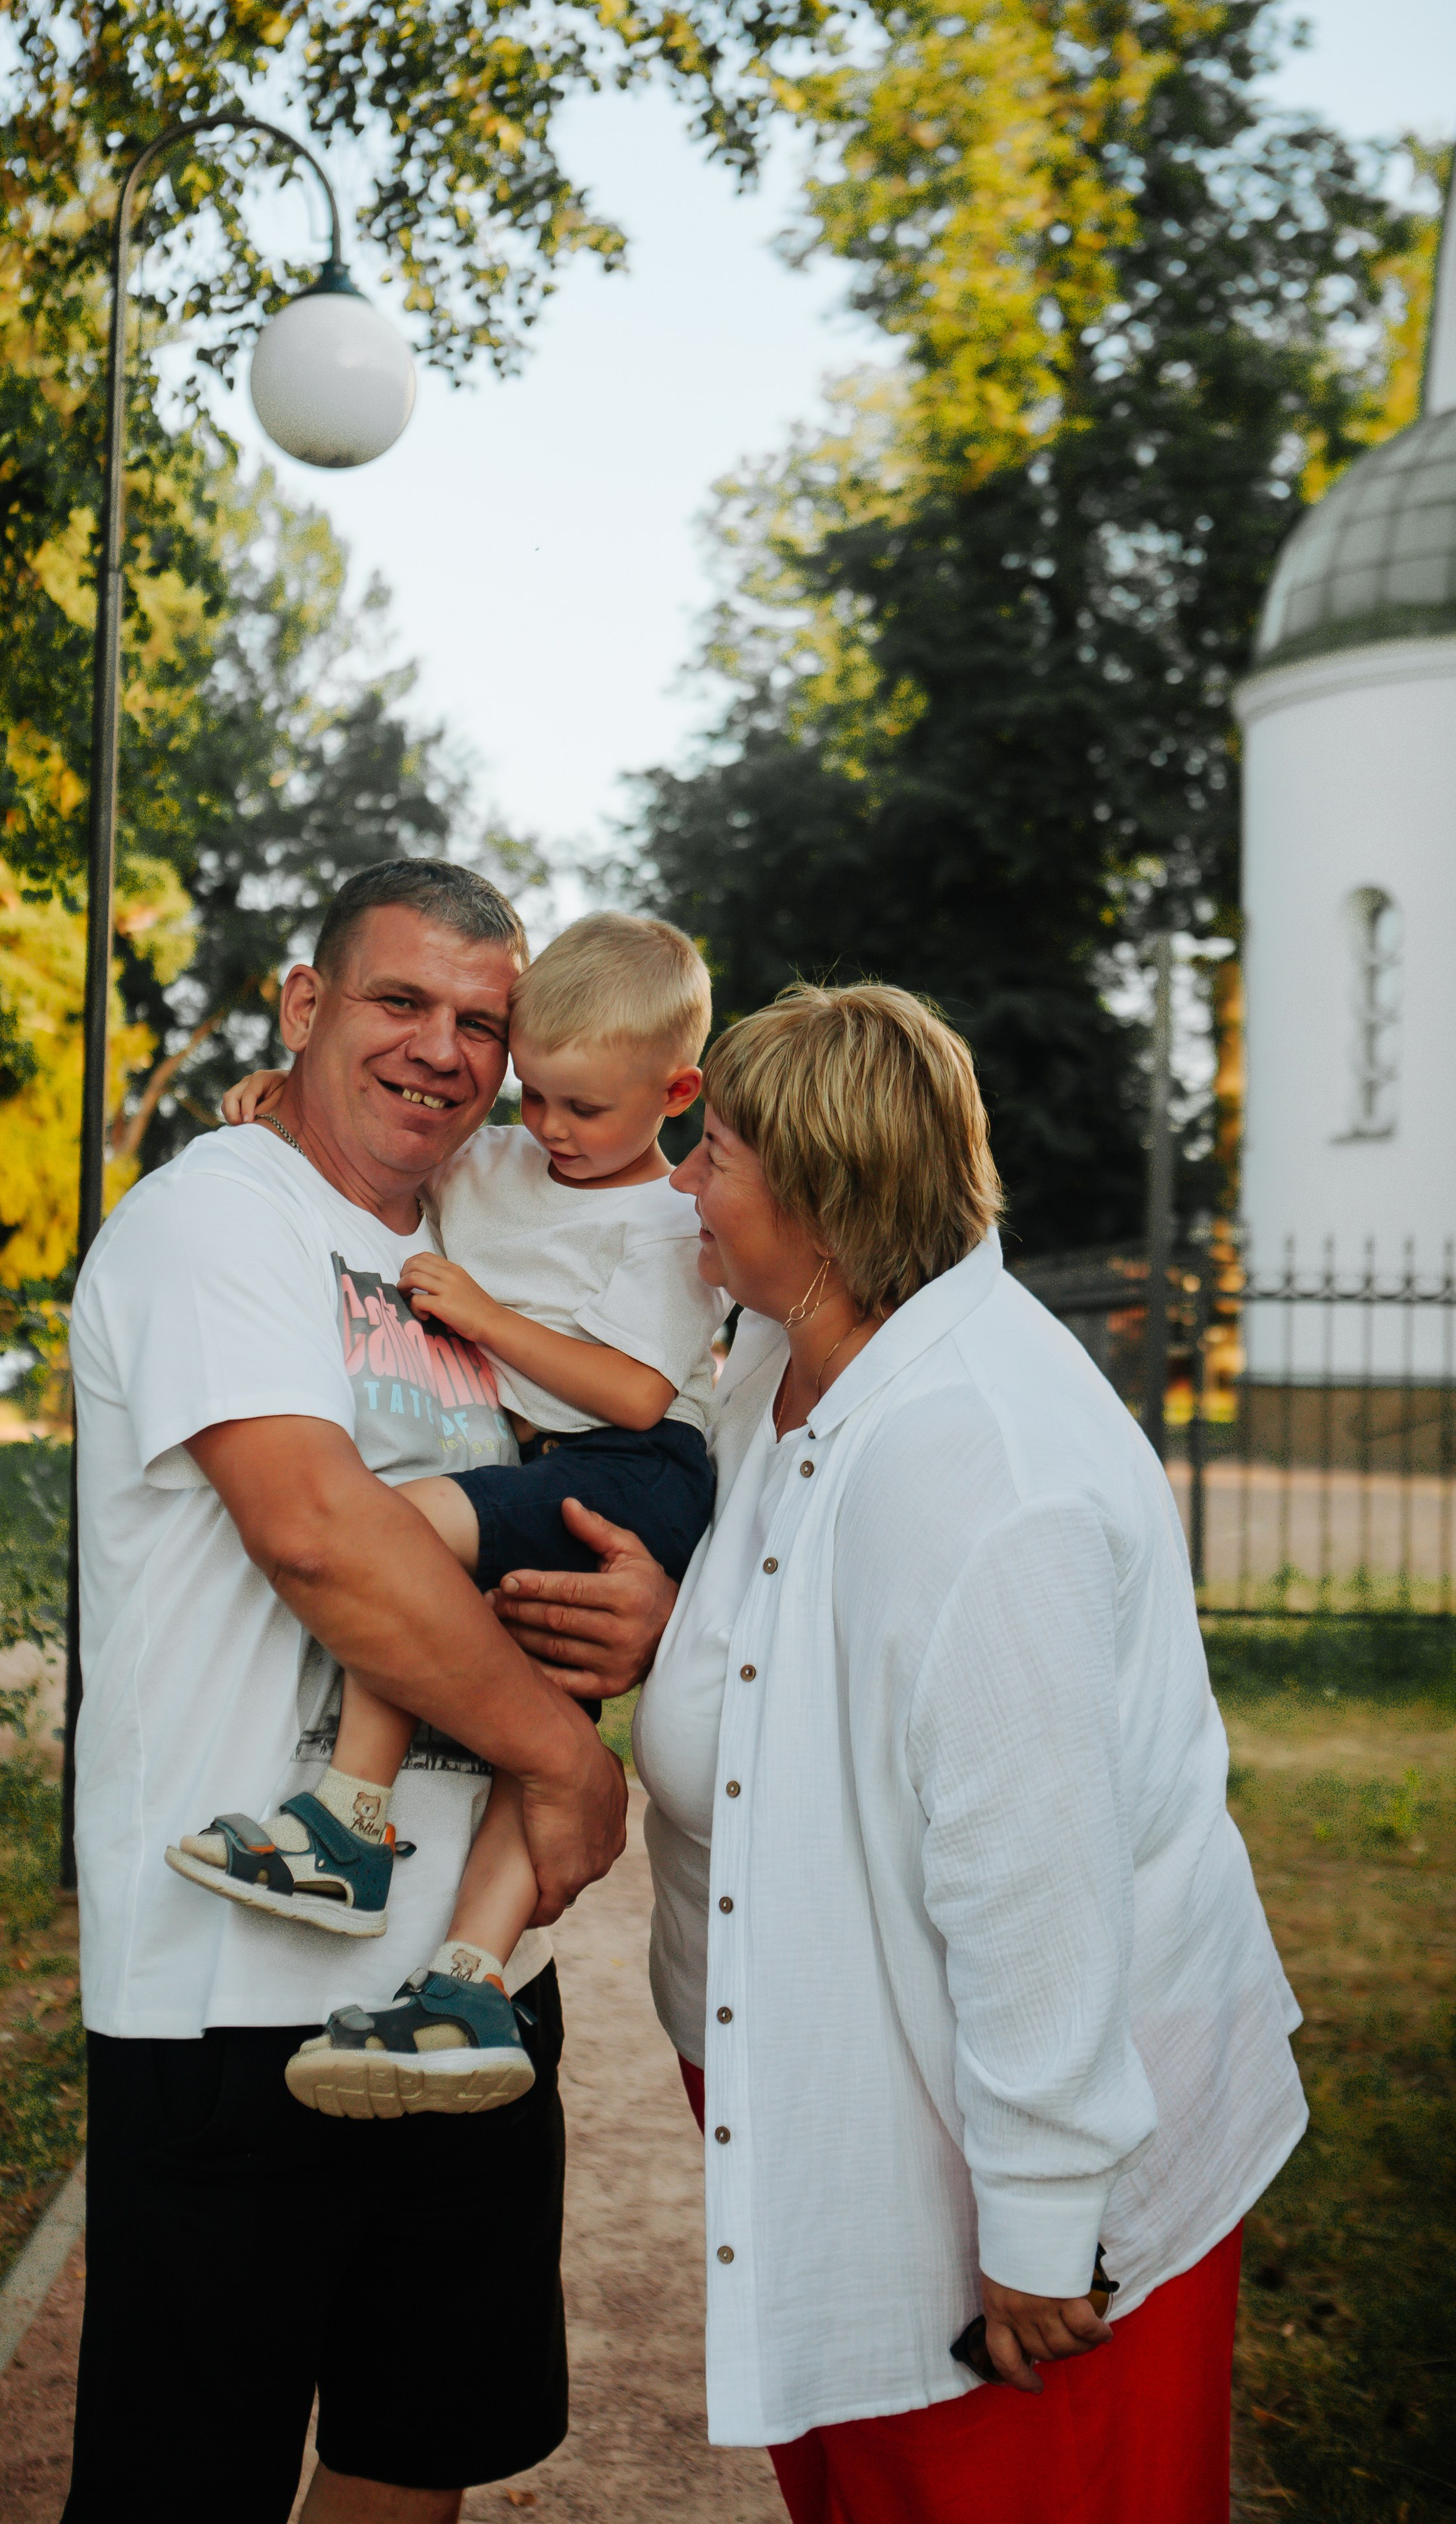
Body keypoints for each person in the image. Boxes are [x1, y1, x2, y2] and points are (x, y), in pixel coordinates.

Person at [491, 982, 1308, 2524]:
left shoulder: (981, 1474)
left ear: (819, 1196)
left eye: (711, 1152)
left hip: (1004, 2139)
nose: (679, 1179)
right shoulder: (785, 1353)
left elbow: (1037, 1878)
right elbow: (807, 1611)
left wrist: (1043, 2220)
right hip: (840, 2074)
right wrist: (683, 1632)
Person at [61, 860, 626, 2524]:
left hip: (463, 1989)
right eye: (399, 1002)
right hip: (231, 1990)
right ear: (303, 1008)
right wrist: (564, 1770)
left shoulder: (479, 1245)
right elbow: (317, 1534)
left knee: (414, 2446)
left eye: (481, 1022)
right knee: (190, 2482)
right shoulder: (218, 1214)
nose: (441, 1050)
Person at [182, 912, 727, 2117]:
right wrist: (289, 1093)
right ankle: (469, 1983)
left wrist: (481, 1317)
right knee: (538, 1729)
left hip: (633, 1464)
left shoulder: (669, 1223)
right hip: (547, 1464)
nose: (548, 1130)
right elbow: (395, 1139)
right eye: (533, 1098)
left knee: (402, 1534)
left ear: (676, 1089)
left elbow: (638, 1390)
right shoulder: (500, 1164)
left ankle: (348, 1821)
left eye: (584, 1109)